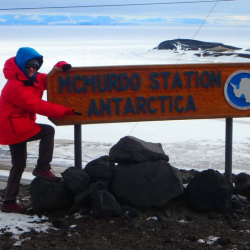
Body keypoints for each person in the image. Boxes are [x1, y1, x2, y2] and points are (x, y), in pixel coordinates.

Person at [0, 47, 81, 213]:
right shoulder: (15, 86)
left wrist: (62, 66)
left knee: (19, 164)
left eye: (35, 66)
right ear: (21, 64)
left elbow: (51, 78)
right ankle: (42, 168)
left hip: (17, 125)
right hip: (11, 126)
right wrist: (64, 111)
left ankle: (9, 202)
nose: (32, 69)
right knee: (47, 131)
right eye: (29, 65)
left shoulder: (32, 78)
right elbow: (37, 105)